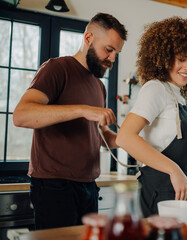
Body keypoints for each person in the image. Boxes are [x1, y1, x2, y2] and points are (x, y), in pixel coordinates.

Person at [12, 13, 127, 230]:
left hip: (89, 187)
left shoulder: (99, 86)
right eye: (109, 50)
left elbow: (101, 136)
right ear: (88, 38)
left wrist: (127, 139)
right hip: (54, 187)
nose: (112, 59)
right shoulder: (56, 68)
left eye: (116, 53)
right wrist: (83, 110)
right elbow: (21, 116)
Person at [116, 16, 187, 217]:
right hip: (160, 195)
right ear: (164, 57)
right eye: (181, 59)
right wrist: (174, 170)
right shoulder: (156, 88)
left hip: (181, 196)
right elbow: (125, 137)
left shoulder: (179, 95)